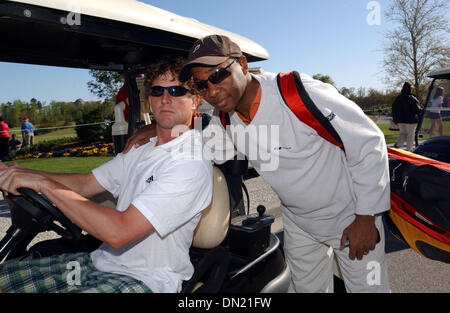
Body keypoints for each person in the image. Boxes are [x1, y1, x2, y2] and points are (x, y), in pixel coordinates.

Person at [125, 35, 391, 293]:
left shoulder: (297, 93)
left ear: (241, 64)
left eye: (217, 75)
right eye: (202, 85)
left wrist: (366, 217)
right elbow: (204, 147)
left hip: (349, 217)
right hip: (299, 221)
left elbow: (368, 142)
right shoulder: (225, 117)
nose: (212, 91)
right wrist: (160, 128)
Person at [0, 56, 213, 293]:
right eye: (157, 90)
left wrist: (44, 184)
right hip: (98, 263)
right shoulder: (141, 148)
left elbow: (118, 232)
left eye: (176, 90)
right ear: (149, 100)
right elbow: (87, 183)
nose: (165, 98)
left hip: (144, 279)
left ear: (195, 101)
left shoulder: (189, 162)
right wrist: (20, 173)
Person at [391, 82, 421, 151]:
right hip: (410, 120)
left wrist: (395, 119)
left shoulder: (398, 98)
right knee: (410, 135)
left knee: (402, 133)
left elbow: (394, 108)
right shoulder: (412, 98)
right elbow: (417, 109)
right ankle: (409, 149)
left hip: (400, 120)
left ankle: (398, 144)